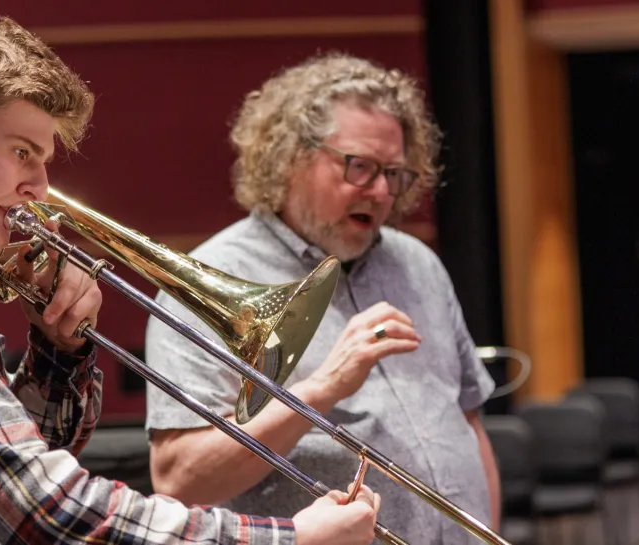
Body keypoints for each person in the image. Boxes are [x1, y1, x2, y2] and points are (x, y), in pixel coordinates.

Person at [0, 18, 382, 544]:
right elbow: (44, 513)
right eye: (21, 152)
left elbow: (10, 462)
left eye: (43, 159)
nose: (39, 187)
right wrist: (291, 537)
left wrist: (59, 351)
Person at [144, 52, 502, 543]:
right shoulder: (209, 282)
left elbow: (467, 422)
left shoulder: (418, 263)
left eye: (395, 174)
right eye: (359, 167)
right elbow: (180, 480)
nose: (380, 191)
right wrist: (323, 387)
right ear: (290, 157)